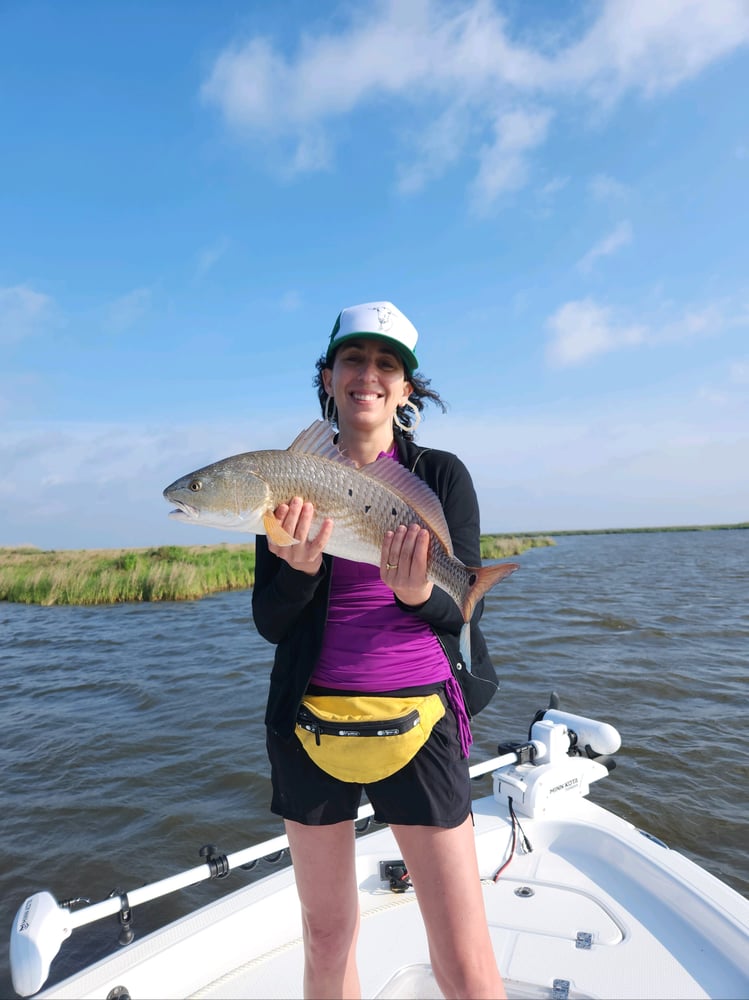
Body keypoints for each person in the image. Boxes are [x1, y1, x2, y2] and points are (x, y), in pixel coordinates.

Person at [252, 301, 507, 1000]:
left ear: (404, 391)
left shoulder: (441, 475)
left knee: (461, 951)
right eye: (353, 360)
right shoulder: (284, 477)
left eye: (385, 364)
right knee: (326, 936)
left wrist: (417, 591)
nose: (368, 374)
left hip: (419, 720)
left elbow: (456, 612)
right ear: (328, 378)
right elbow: (270, 623)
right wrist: (299, 574)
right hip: (308, 726)